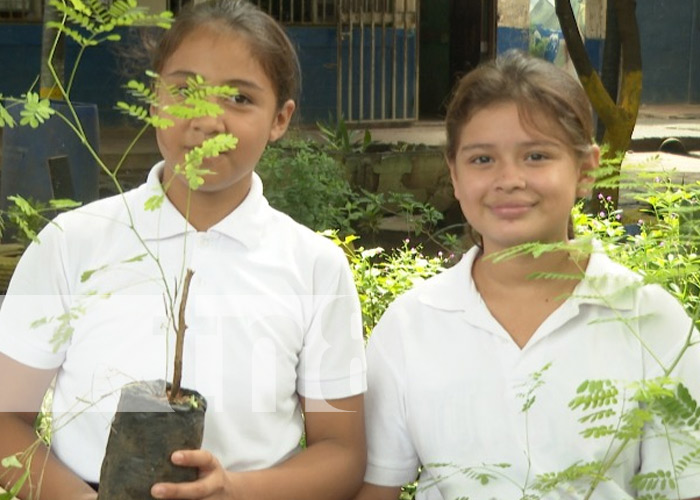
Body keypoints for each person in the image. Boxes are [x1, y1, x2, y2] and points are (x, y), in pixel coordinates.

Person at [0, 1, 366, 499]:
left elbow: (342, 453)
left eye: (239, 97)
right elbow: (5, 420)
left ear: (280, 119)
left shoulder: (314, 267)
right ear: (154, 99)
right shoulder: (72, 244)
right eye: (186, 91)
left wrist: (231, 489)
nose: (207, 120)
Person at [354, 51, 700, 500]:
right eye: (482, 160)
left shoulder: (652, 323)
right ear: (454, 176)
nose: (510, 179)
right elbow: (379, 487)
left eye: (536, 156)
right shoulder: (410, 326)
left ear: (587, 169)